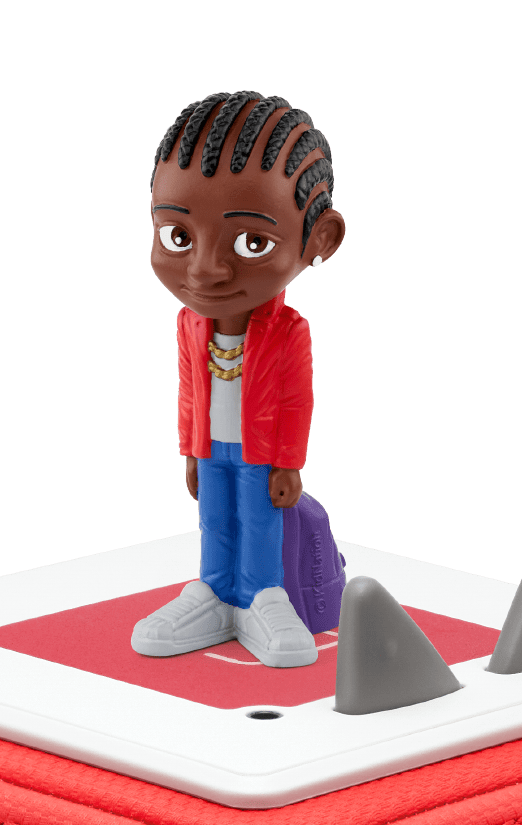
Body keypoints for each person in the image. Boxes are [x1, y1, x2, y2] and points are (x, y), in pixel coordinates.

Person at [131, 91, 346, 668]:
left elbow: (297, 401)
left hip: (261, 452)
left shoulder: (288, 332)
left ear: (320, 240)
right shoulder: (188, 324)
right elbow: (188, 389)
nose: (204, 270)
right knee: (215, 520)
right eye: (177, 236)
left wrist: (289, 463)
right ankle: (213, 591)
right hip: (211, 447)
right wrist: (189, 449)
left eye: (254, 243)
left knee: (258, 520)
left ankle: (260, 596)